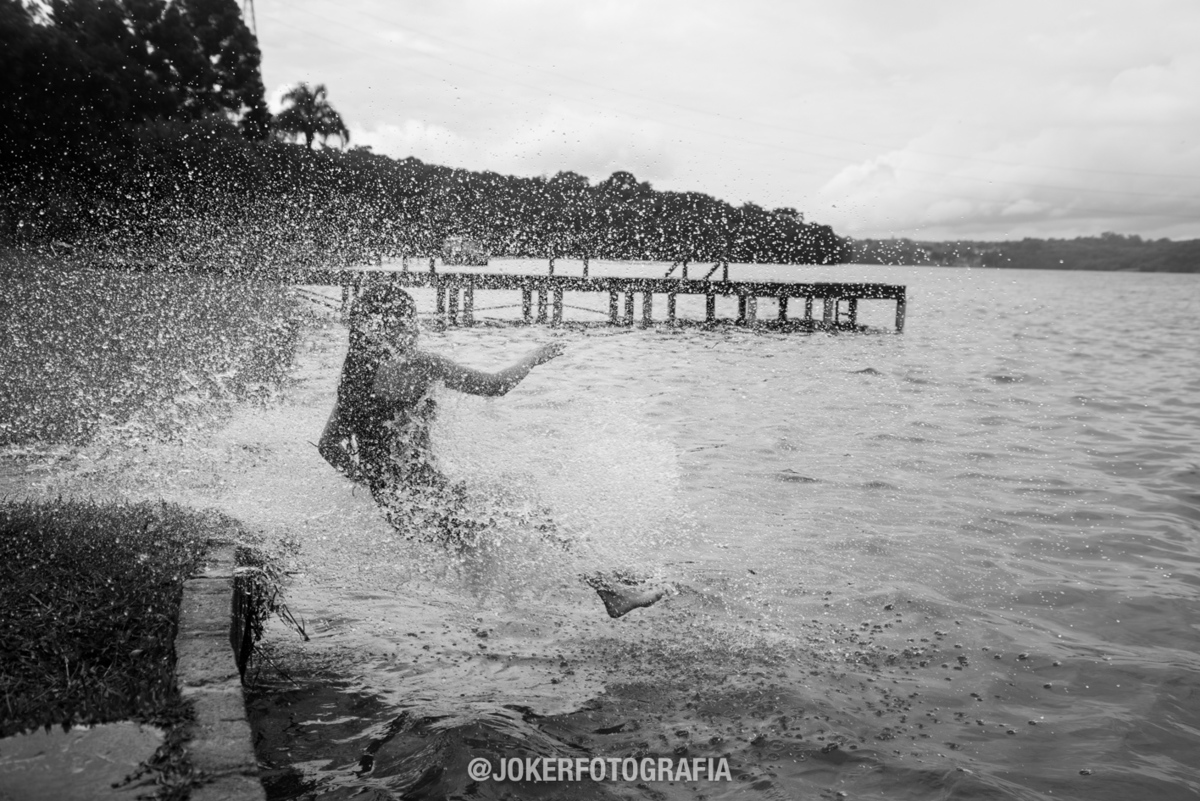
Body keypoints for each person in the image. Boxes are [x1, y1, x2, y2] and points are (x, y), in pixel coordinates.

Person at [318, 282, 669, 618]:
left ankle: (598, 582)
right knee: (526, 506)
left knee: (490, 548)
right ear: (396, 325)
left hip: (401, 509)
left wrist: (373, 482)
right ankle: (610, 590)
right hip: (428, 497)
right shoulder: (421, 366)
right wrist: (532, 358)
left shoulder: (355, 379)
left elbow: (329, 445)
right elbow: (495, 385)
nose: (416, 328)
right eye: (410, 320)